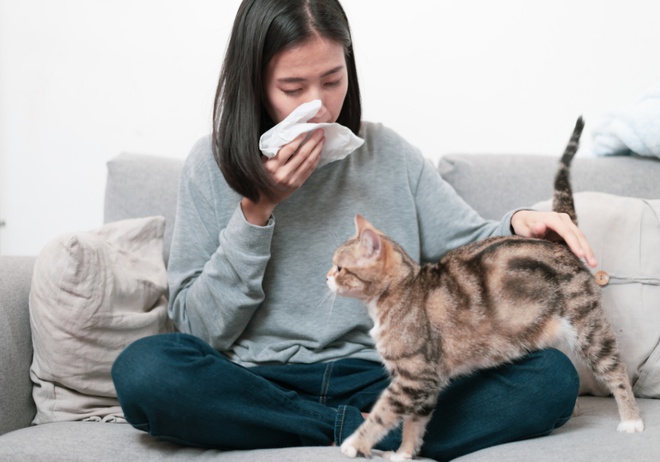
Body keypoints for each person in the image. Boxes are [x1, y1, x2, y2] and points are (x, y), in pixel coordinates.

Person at [111, 0, 597, 459]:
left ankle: (336, 427)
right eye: (293, 88)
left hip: (384, 376)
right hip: (259, 382)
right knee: (147, 370)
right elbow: (199, 331)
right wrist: (256, 213)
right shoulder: (210, 164)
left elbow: (467, 244)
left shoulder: (388, 153)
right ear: (255, 83)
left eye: (332, 80)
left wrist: (519, 224)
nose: (320, 106)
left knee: (549, 377)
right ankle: (355, 430)